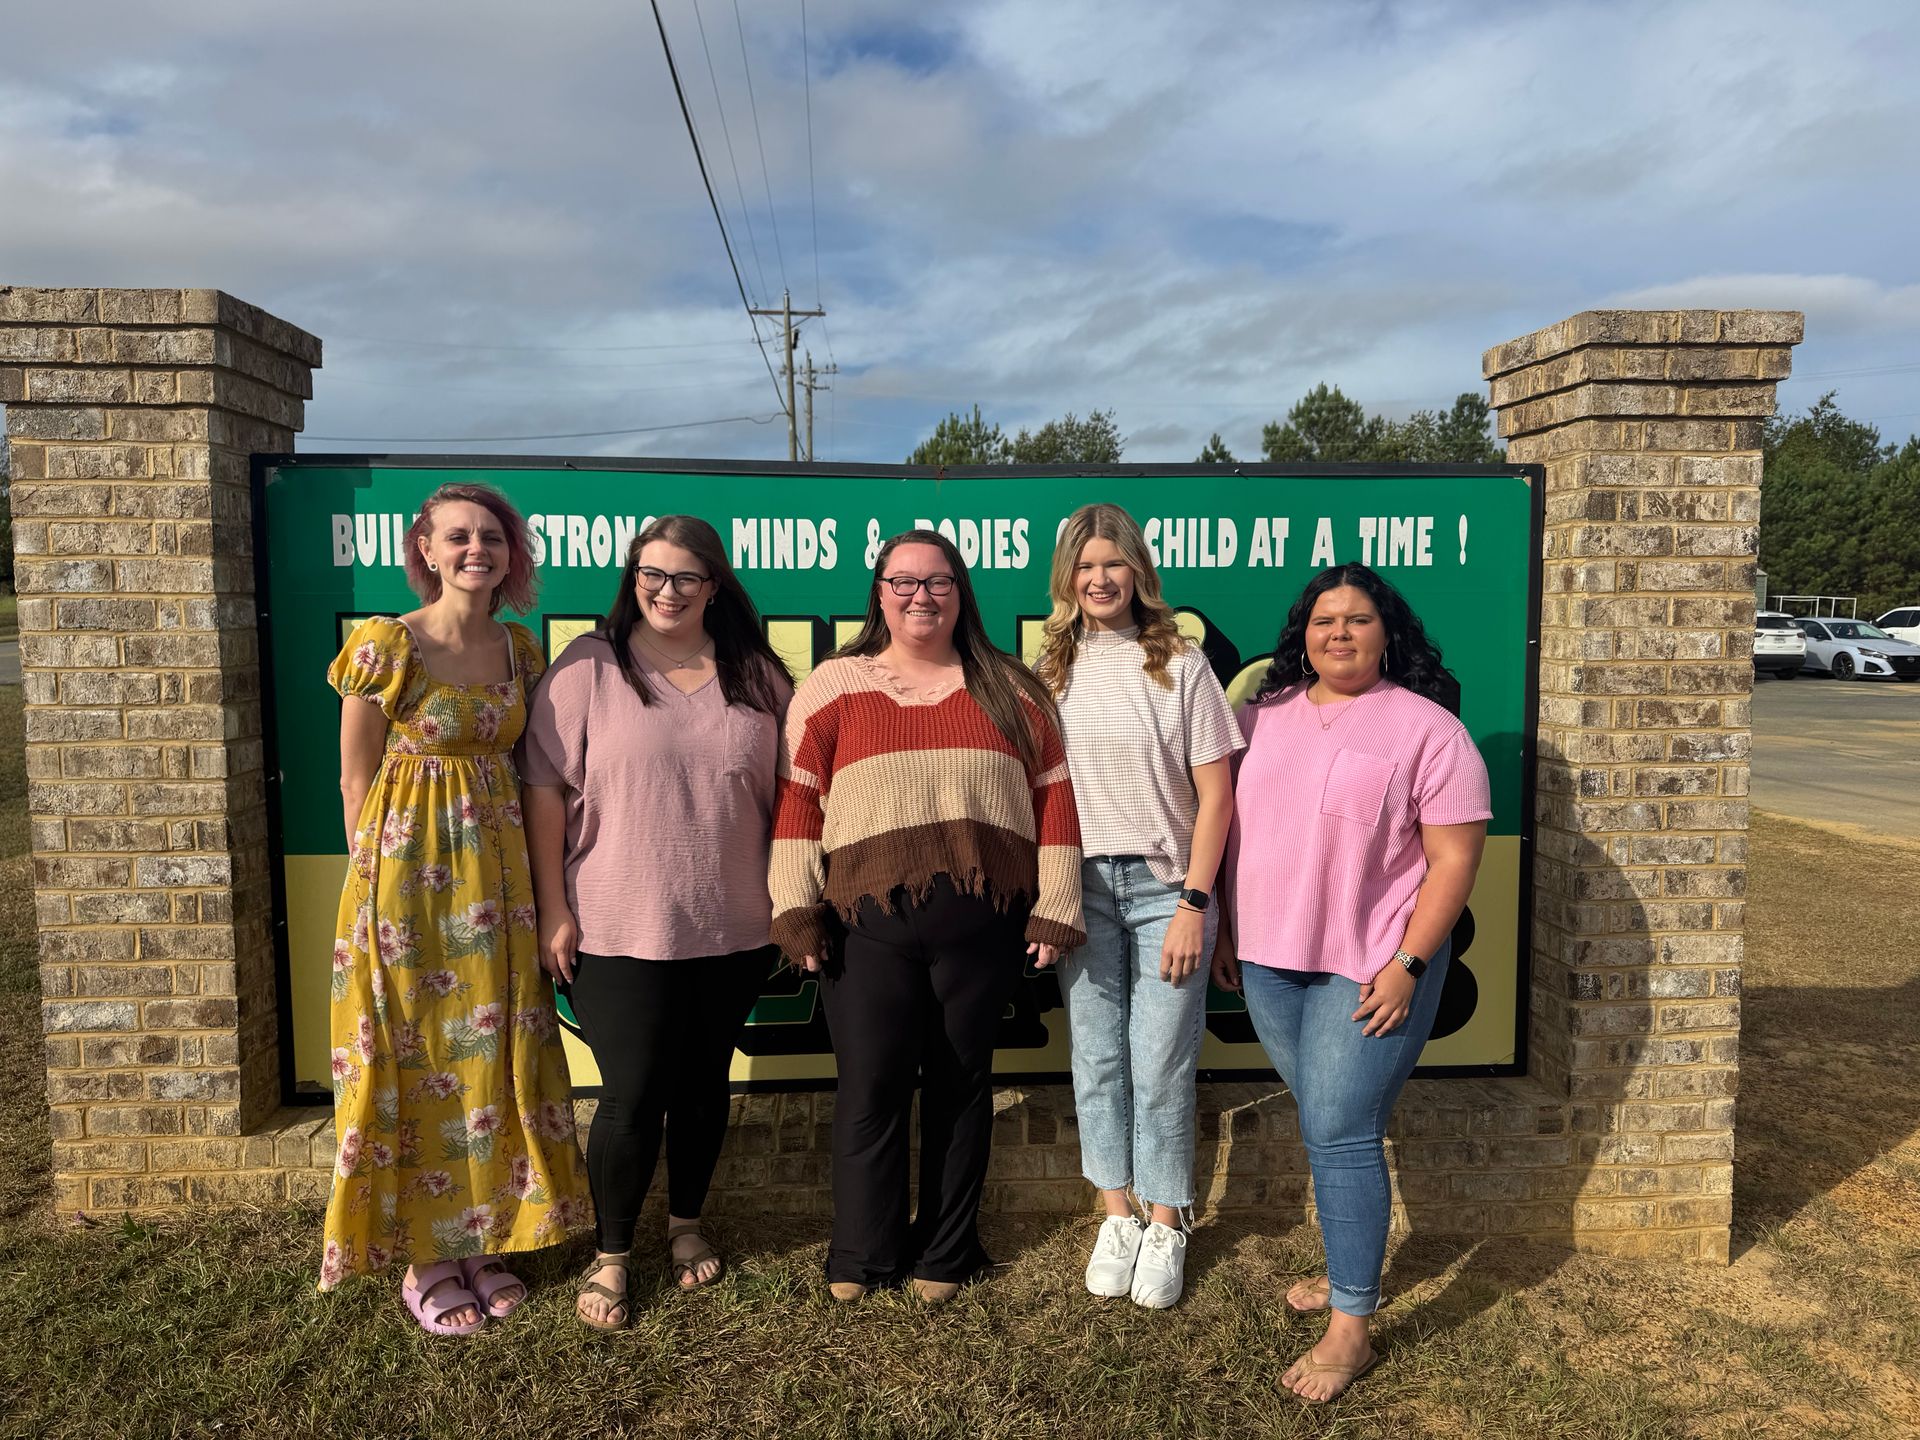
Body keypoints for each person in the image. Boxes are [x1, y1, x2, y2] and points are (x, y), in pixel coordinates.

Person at [769, 529, 1086, 1303]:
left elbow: (1055, 799)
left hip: (981, 925)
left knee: (961, 1084)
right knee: (870, 1089)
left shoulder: (1011, 689)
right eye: (903, 582)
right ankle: (862, 1255)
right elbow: (797, 801)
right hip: (862, 926)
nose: (921, 596)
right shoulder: (834, 686)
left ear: (960, 592)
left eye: (937, 582)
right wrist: (794, 906)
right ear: (878, 593)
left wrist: (1057, 907)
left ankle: (945, 1252)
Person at [1213, 562, 1489, 1402]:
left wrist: (1408, 964)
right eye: (1324, 619)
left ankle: (1351, 1329)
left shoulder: (1429, 730)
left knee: (1337, 1129)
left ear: (1387, 632)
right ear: (1302, 632)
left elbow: (1453, 860)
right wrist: (1226, 925)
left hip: (1371, 965)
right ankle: (1348, 1272)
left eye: (1359, 619)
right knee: (1331, 1122)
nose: (1340, 632)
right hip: (1268, 957)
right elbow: (1229, 827)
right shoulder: (1258, 719)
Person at [323, 482, 588, 1335]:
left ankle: (484, 1239)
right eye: (460, 537)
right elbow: (354, 778)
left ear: (512, 556)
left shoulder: (522, 650)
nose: (479, 550)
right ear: (427, 551)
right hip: (405, 886)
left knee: (489, 1057)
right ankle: (424, 1258)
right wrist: (371, 898)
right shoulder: (384, 644)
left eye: (495, 538)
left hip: (498, 884)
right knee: (412, 1055)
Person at [520, 515, 792, 1331]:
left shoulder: (757, 675)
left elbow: (792, 798)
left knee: (704, 1084)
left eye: (685, 577)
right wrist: (553, 908)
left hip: (736, 925)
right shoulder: (588, 670)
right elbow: (543, 792)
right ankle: (611, 1256)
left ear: (716, 586)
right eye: (651, 573)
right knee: (634, 1094)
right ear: (631, 577)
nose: (666, 591)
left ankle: (685, 1225)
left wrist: (791, 902)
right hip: (615, 925)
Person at [1034, 504, 1241, 1309]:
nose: (1099, 580)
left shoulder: (1181, 664)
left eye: (1112, 564)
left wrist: (1196, 900)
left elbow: (1218, 795)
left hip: (1166, 891)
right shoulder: (1050, 670)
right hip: (1080, 886)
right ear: (1068, 580)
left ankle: (1168, 1219)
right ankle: (1115, 1211)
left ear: (1138, 572)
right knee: (1097, 1056)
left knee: (1160, 1063)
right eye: (1085, 567)